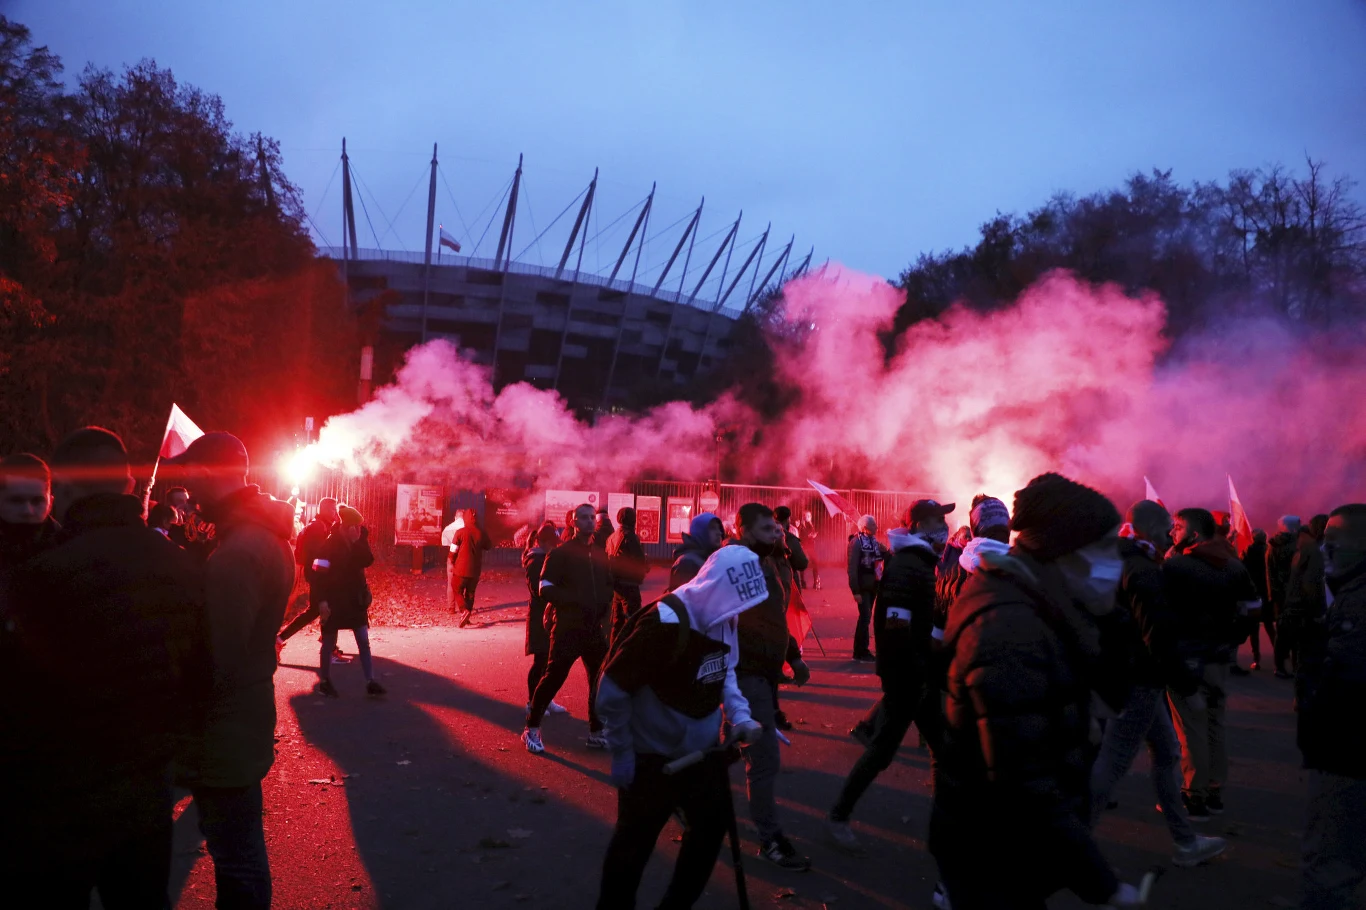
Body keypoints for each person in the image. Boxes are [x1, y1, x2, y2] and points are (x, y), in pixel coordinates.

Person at [1, 428, 205, 908]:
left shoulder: (43, 573)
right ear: (130, 486)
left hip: (57, 801)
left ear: (62, 490)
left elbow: (17, 698)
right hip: (146, 795)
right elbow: (201, 675)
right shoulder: (182, 567)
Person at [931, 472, 1147, 909]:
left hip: (1015, 849)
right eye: (1102, 549)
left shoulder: (1049, 604)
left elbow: (1115, 690)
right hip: (993, 851)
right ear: (1065, 553)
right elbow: (1020, 781)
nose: (1113, 561)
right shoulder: (1009, 627)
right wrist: (1100, 884)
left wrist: (1111, 620)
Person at [594, 546, 768, 909]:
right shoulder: (662, 622)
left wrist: (739, 716)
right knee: (634, 844)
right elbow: (610, 692)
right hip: (651, 758)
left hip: (702, 756)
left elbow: (725, 671)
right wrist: (623, 752)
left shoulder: (725, 617)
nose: (744, 610)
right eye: (739, 599)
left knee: (709, 829)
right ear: (718, 587)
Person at [169, 432, 295, 909]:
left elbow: (217, 657)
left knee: (236, 859)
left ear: (204, 474)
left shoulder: (237, 553)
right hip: (244, 718)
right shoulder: (262, 535)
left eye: (189, 478)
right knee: (241, 853)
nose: (187, 493)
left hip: (222, 727)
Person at [1089, 500, 1226, 867]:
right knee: (1111, 765)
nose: (1172, 536)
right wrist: (1187, 686)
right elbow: (1159, 637)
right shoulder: (1143, 570)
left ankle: (1185, 842)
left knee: (1166, 753)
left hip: (1128, 674)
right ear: (1150, 528)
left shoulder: (1120, 559)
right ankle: (1067, 845)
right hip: (1139, 679)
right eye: (1168, 528)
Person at [827, 499, 952, 854]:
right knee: (883, 751)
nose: (942, 527)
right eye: (933, 521)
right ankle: (838, 816)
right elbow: (895, 629)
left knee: (942, 749)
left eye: (943, 520)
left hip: (917, 675)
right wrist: (913, 674)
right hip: (908, 677)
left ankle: (947, 827)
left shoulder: (920, 562)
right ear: (915, 527)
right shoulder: (909, 566)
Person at [1164, 507, 1261, 821]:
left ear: (1193, 534)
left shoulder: (1176, 565)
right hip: (1219, 657)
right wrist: (1233, 638)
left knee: (1191, 728)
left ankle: (1194, 796)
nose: (1171, 533)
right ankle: (1215, 791)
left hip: (1187, 660)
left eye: (1177, 527)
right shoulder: (1234, 565)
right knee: (1215, 723)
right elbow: (1253, 607)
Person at [730, 503, 812, 871]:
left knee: (728, 748)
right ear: (742, 529)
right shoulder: (732, 565)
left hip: (763, 672)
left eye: (776, 528)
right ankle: (770, 840)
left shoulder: (768, 562)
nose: (776, 534)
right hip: (743, 675)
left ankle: (683, 796)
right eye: (767, 529)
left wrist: (792, 655)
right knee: (763, 760)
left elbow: (774, 616)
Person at [1296, 504, 1366, 909]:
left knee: (1329, 862)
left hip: (1348, 753)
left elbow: (1341, 678)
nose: (1325, 549)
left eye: (1334, 542)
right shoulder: (1350, 589)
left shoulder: (1360, 601)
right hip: (1343, 748)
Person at [523, 503, 614, 754]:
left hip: (593, 629)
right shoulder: (561, 553)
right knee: (554, 677)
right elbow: (545, 587)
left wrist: (604, 603)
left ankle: (596, 732)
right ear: (573, 523)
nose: (588, 522)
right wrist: (574, 601)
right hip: (567, 628)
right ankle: (531, 729)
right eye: (582, 518)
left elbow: (607, 584)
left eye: (591, 518)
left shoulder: (599, 552)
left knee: (599, 681)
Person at [312, 505, 385, 697]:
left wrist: (356, 543)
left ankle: (370, 681)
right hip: (334, 601)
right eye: (355, 527)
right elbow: (318, 575)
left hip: (354, 601)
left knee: (363, 641)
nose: (359, 530)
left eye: (360, 527)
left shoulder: (358, 540)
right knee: (328, 643)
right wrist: (322, 602)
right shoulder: (329, 545)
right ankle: (325, 682)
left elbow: (367, 560)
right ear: (346, 527)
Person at [277, 497, 348, 662]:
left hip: (319, 576)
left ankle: (327, 646)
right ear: (323, 509)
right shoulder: (318, 527)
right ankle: (327, 649)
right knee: (321, 610)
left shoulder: (321, 525)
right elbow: (320, 554)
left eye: (335, 510)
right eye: (332, 509)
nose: (335, 513)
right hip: (320, 576)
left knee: (319, 610)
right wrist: (328, 576)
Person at [522, 522, 568, 715]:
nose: (556, 546)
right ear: (544, 542)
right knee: (540, 660)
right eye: (553, 543)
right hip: (539, 616)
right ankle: (533, 702)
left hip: (547, 615)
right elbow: (538, 591)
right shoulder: (535, 561)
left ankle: (545, 700)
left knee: (549, 660)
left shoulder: (546, 557)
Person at [0, 453, 61, 584]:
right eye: (16, 500)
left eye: (37, 501)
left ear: (50, 503)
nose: (27, 511)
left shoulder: (68, 550)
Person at [1281, 514, 1330, 679]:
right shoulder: (1316, 551)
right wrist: (1318, 612)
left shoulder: (1302, 549)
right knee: (1310, 654)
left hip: (1297, 606)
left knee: (1302, 651)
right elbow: (1311, 583)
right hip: (1310, 610)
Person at [847, 514, 890, 661]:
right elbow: (852, 569)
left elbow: (884, 555)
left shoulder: (873, 541)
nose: (876, 527)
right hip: (863, 587)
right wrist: (855, 591)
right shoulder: (856, 543)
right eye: (873, 526)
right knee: (865, 617)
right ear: (865, 528)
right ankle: (860, 651)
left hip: (873, 585)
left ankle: (861, 650)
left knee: (866, 617)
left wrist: (886, 550)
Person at [606, 506, 648, 647]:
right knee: (633, 619)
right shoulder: (630, 536)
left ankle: (613, 651)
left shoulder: (612, 536)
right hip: (629, 584)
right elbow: (638, 559)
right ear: (633, 519)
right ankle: (629, 652)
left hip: (616, 584)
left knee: (617, 623)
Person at [1266, 515, 1302, 678]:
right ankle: (1282, 666)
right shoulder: (1281, 546)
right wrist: (1274, 595)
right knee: (1286, 632)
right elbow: (1271, 572)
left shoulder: (1277, 545)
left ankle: (1290, 666)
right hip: (1286, 594)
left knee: (1291, 632)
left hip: (1288, 593)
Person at [450, 508, 493, 627]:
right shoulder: (481, 532)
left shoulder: (460, 532)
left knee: (456, 588)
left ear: (465, 518)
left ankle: (464, 611)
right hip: (475, 570)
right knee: (470, 593)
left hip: (461, 568)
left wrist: (452, 560)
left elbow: (453, 549)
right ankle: (467, 618)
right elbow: (489, 546)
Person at [670, 511, 725, 591]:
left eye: (719, 529)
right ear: (700, 531)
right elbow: (685, 599)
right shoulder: (687, 563)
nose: (719, 533)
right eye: (713, 528)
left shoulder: (710, 558)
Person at [1242, 529, 1271, 670]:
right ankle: (1280, 656)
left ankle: (1256, 659)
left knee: (1254, 629)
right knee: (1270, 626)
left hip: (1253, 593)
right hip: (1268, 592)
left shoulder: (1248, 551)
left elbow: (1242, 570)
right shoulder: (1270, 550)